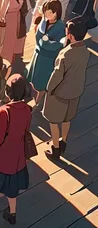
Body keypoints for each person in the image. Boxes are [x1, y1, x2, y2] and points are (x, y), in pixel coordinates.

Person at [0, 74, 32, 228]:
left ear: (8, 91)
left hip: (0, 159)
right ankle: (12, 213)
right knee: (12, 188)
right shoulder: (27, 109)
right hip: (17, 159)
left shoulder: (4, 111)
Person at [43, 17, 90, 160]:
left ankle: (55, 148)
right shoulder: (85, 51)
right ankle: (63, 142)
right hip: (75, 92)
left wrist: (49, 88)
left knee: (53, 120)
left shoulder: (66, 54)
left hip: (60, 93)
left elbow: (57, 75)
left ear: (70, 35)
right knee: (66, 119)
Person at [27, 0, 66, 106]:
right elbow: (38, 37)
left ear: (57, 12)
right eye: (46, 12)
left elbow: (57, 45)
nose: (48, 14)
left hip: (48, 60)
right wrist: (45, 42)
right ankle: (31, 97)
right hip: (38, 55)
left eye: (51, 12)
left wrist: (44, 42)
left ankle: (37, 103)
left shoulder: (61, 28)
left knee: (42, 83)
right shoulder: (43, 22)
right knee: (32, 79)